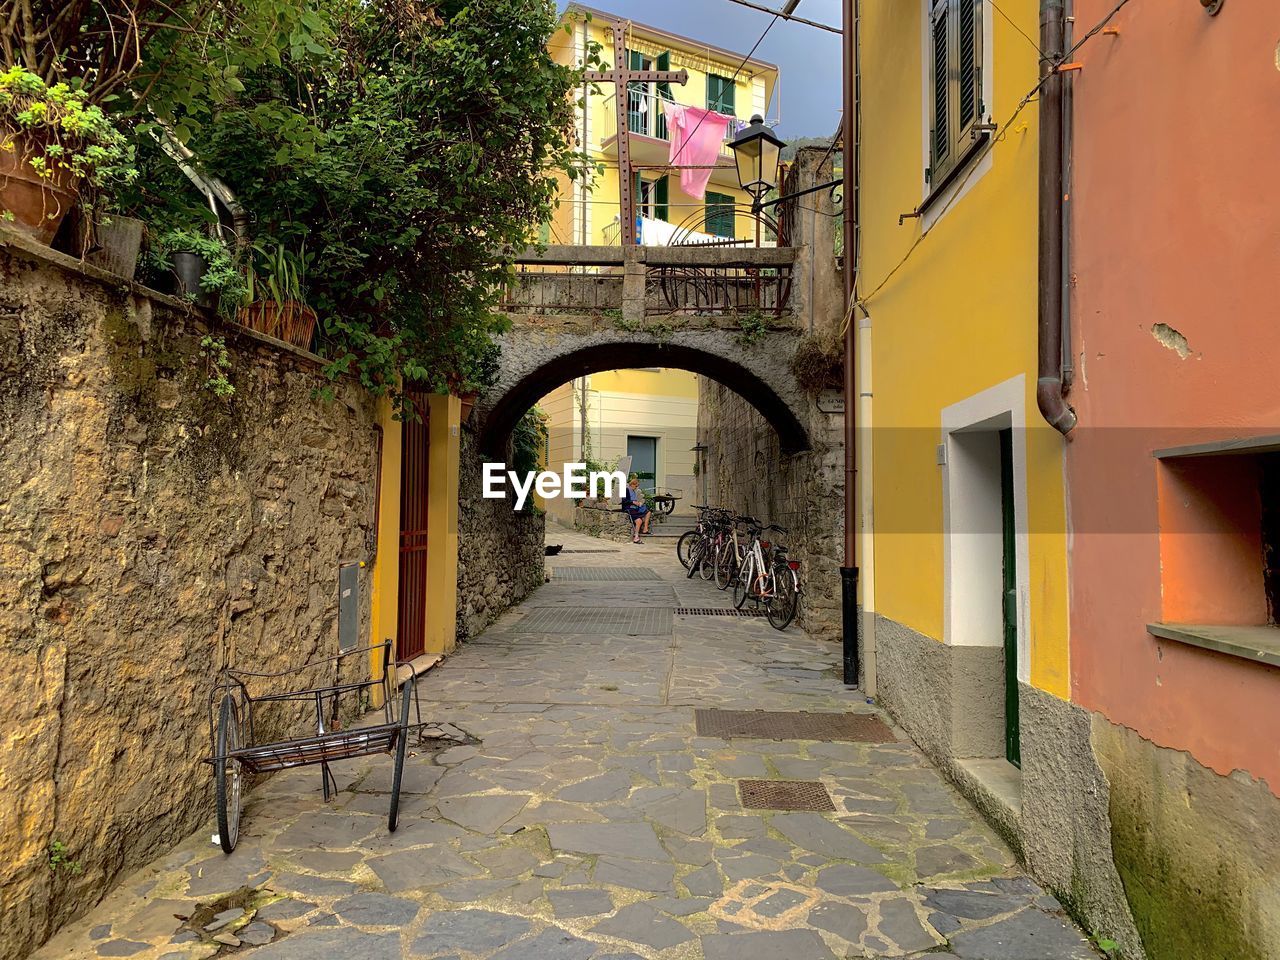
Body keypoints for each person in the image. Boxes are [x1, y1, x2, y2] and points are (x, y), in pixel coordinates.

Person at [622, 474, 651, 543]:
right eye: (636, 486)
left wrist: (638, 503)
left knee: (648, 512)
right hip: (629, 508)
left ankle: (645, 529)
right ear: (632, 484)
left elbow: (634, 501)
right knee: (639, 521)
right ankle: (636, 537)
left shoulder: (633, 491)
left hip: (635, 508)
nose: (637, 487)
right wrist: (633, 502)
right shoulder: (626, 490)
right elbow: (624, 501)